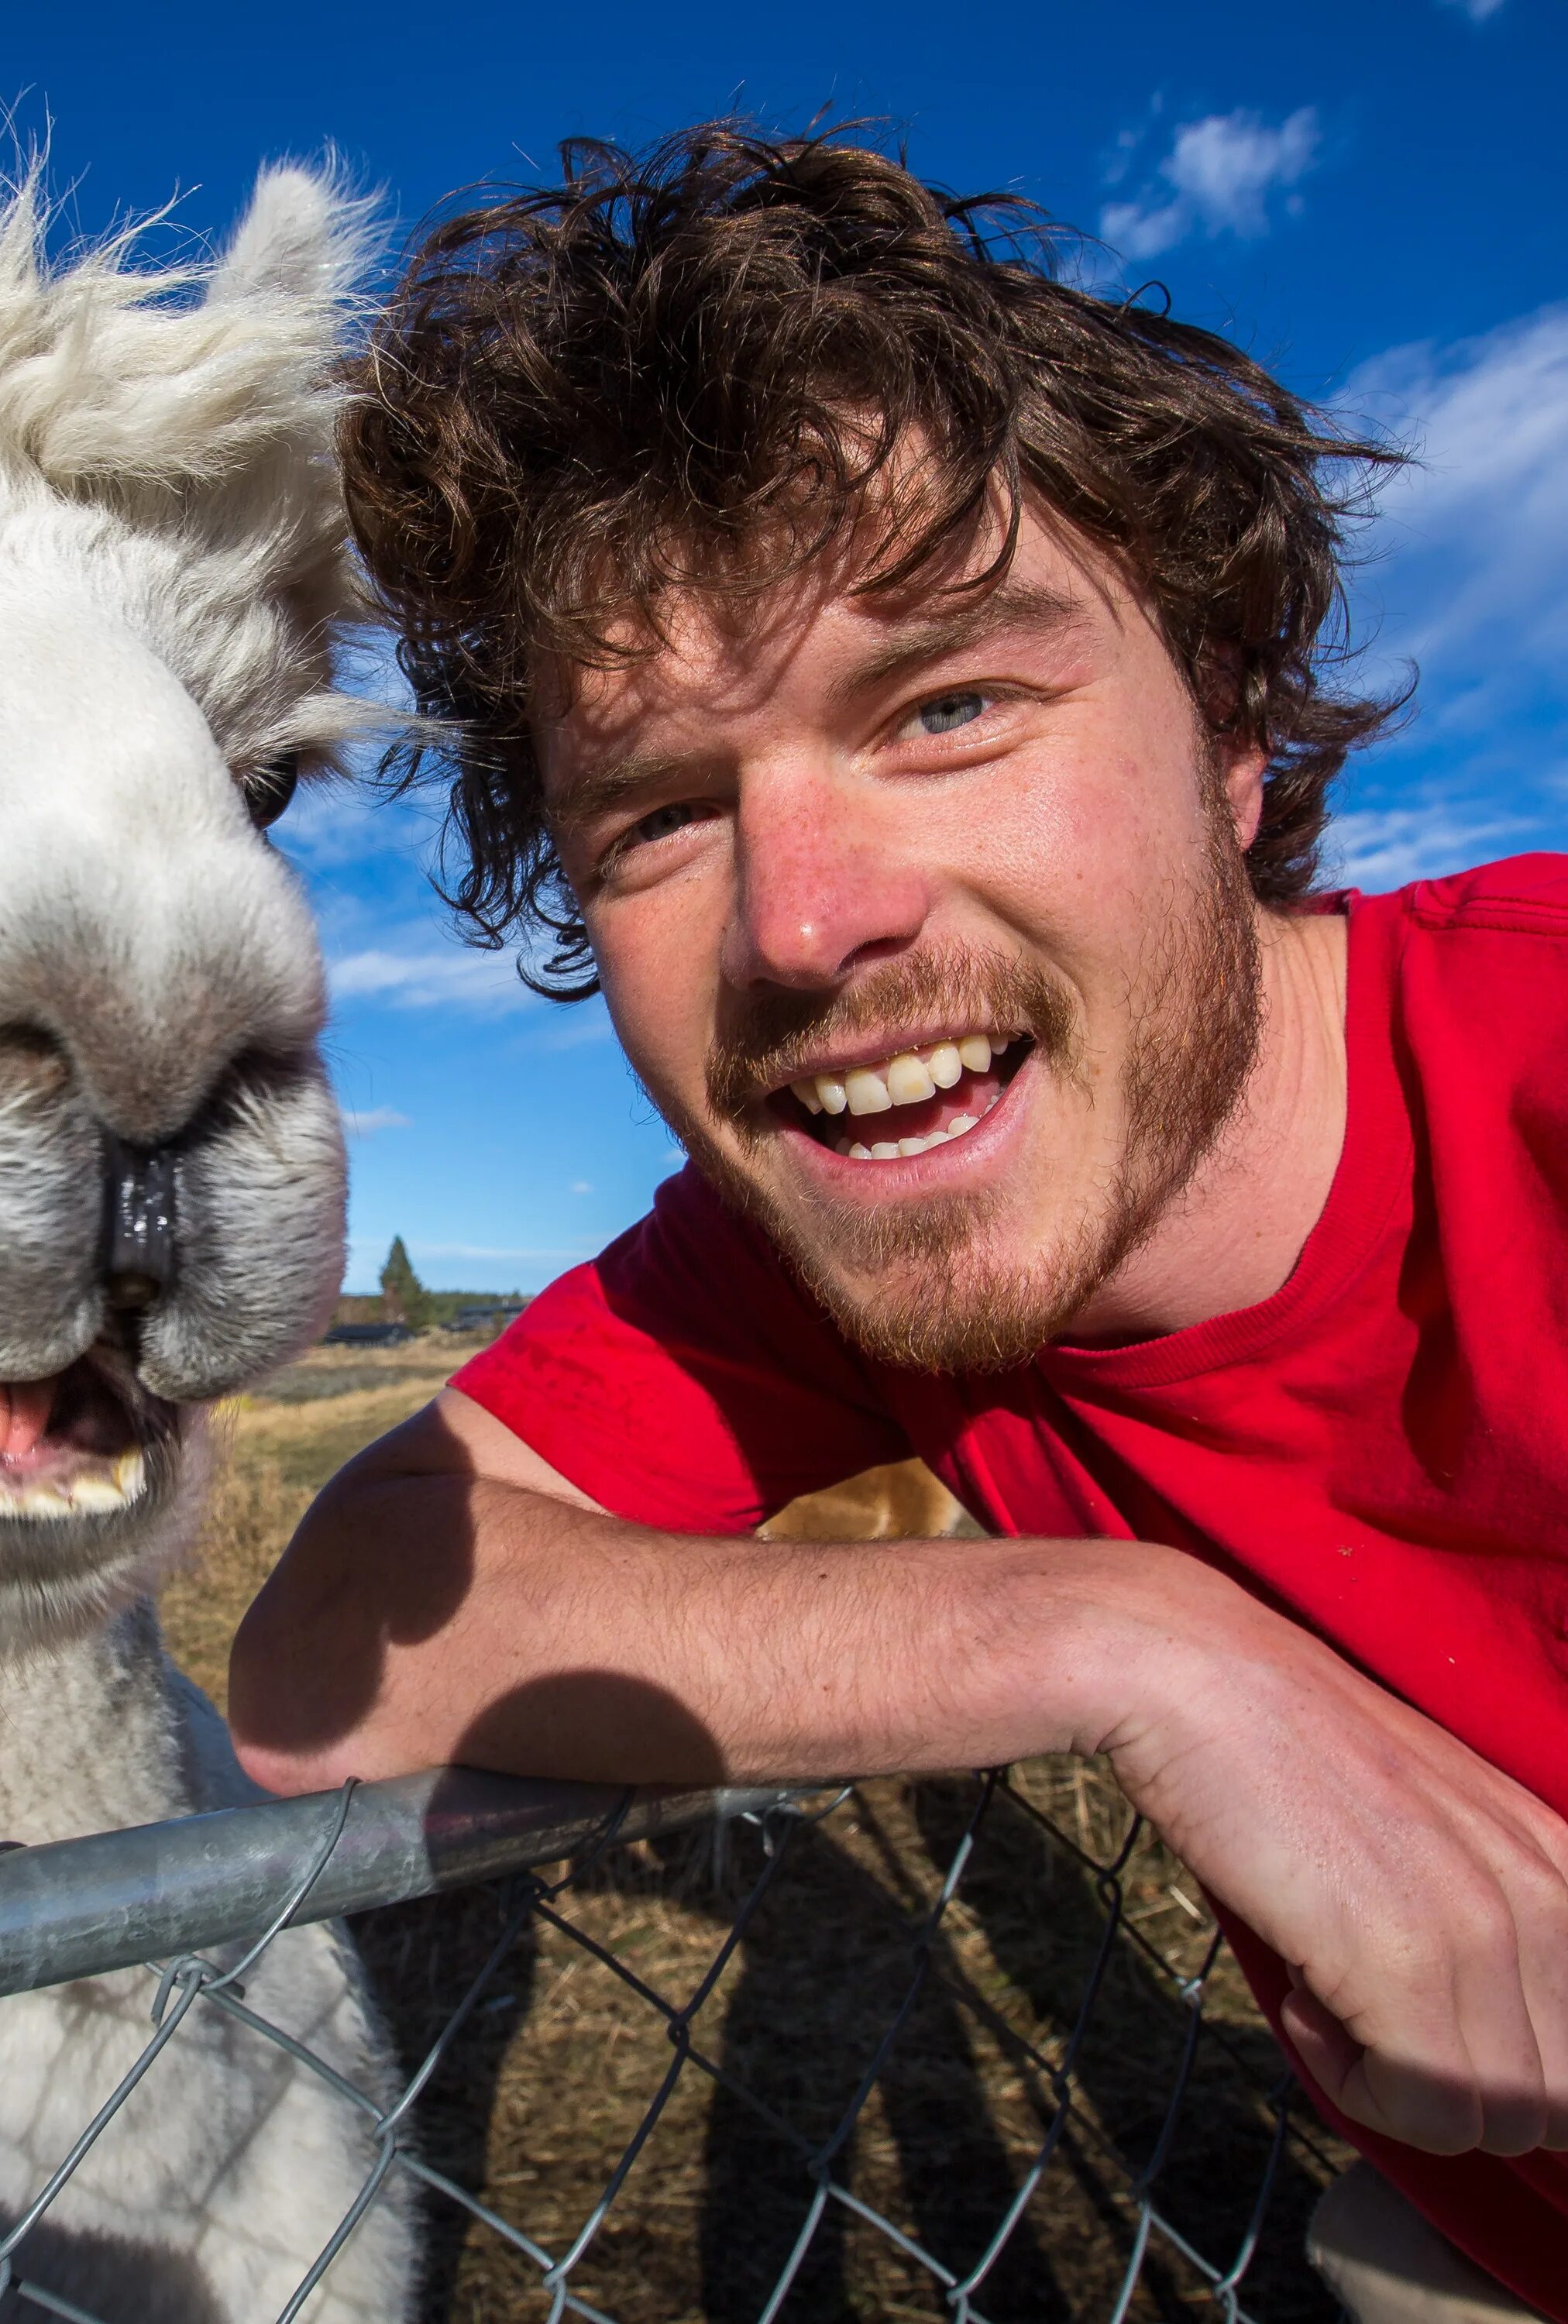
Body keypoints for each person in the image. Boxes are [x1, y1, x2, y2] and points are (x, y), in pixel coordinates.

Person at [225, 127, 1568, 2322]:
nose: (807, 921)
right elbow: (331, 1645)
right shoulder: (856, 1244)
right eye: (659, 811)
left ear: (1231, 728)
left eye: (947, 707)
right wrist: (1135, 1644)